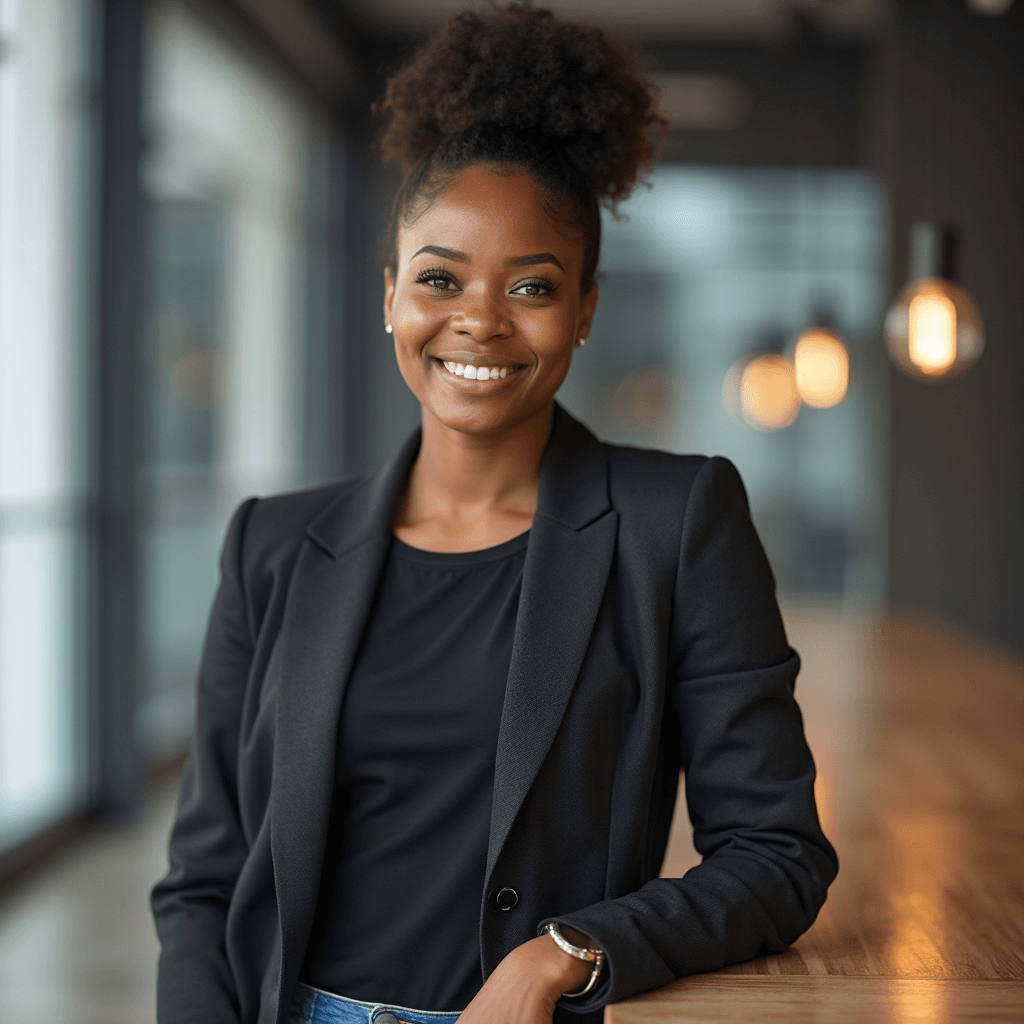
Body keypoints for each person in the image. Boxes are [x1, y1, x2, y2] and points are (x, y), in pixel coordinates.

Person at [150, 6, 838, 1024]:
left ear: (586, 310)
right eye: (439, 278)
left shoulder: (675, 520)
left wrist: (569, 951)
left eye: (530, 285)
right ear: (390, 295)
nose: (479, 318)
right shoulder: (273, 542)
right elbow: (206, 881)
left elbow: (777, 854)